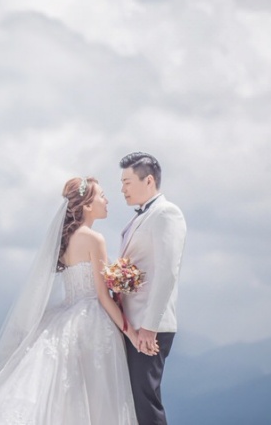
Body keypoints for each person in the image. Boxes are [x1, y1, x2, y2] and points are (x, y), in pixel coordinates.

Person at [0, 177, 148, 424]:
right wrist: (131, 334)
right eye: (102, 195)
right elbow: (102, 297)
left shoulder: (66, 239)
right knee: (94, 396)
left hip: (64, 315)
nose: (107, 200)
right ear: (87, 205)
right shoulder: (94, 239)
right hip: (91, 320)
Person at [118, 152, 187, 425]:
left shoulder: (166, 213)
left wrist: (150, 326)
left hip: (149, 327)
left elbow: (167, 271)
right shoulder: (142, 217)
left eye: (127, 182)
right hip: (133, 323)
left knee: (145, 400)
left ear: (148, 180)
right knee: (133, 401)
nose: (122, 189)